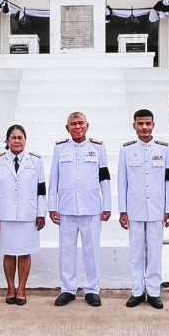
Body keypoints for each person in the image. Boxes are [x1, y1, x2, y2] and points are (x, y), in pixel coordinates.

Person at [49, 112, 111, 307]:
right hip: (67, 208)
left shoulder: (98, 148)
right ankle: (68, 289)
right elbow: (54, 178)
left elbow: (105, 178)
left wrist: (107, 205)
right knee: (66, 251)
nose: (77, 127)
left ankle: (92, 289)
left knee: (91, 251)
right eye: (73, 124)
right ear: (67, 128)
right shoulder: (60, 149)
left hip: (91, 207)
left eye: (80, 123)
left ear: (87, 126)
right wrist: (52, 206)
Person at [117, 109, 169, 309]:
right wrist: (123, 211)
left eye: (148, 123)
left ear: (153, 125)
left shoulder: (164, 150)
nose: (144, 128)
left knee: (155, 251)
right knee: (136, 252)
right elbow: (122, 183)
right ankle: (137, 291)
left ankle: (154, 292)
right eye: (140, 124)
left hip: (157, 208)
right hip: (135, 208)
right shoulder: (126, 150)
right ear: (134, 126)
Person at [0, 124, 46, 305]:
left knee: (25, 253)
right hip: (5, 215)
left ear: (25, 141)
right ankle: (10, 288)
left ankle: (22, 289)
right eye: (13, 137)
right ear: (7, 141)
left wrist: (41, 213)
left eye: (20, 137)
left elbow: (41, 189)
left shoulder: (36, 161)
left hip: (28, 215)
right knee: (9, 253)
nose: (17, 140)